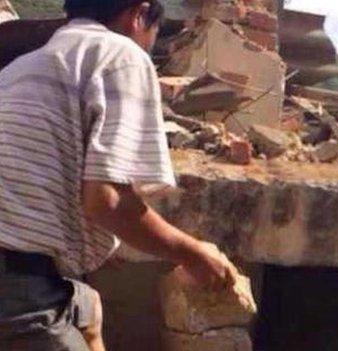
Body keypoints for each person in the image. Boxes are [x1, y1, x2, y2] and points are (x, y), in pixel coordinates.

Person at [0, 1, 237, 350]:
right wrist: (195, 255)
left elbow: (32, 173)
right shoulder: (120, 53)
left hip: (17, 270)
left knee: (88, 305)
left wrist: (91, 245)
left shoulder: (20, 68)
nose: (147, 49)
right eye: (151, 39)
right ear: (138, 15)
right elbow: (106, 201)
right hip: (16, 291)